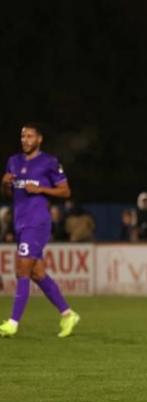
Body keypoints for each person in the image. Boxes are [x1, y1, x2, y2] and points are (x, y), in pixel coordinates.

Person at [0, 123, 81, 338]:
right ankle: (68, 314)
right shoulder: (13, 161)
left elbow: (65, 191)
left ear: (39, 139)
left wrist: (41, 189)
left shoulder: (49, 162)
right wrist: (5, 184)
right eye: (22, 136)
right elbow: (11, 195)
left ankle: (13, 323)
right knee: (37, 273)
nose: (25, 140)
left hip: (37, 223)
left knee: (22, 270)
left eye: (29, 136)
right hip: (19, 222)